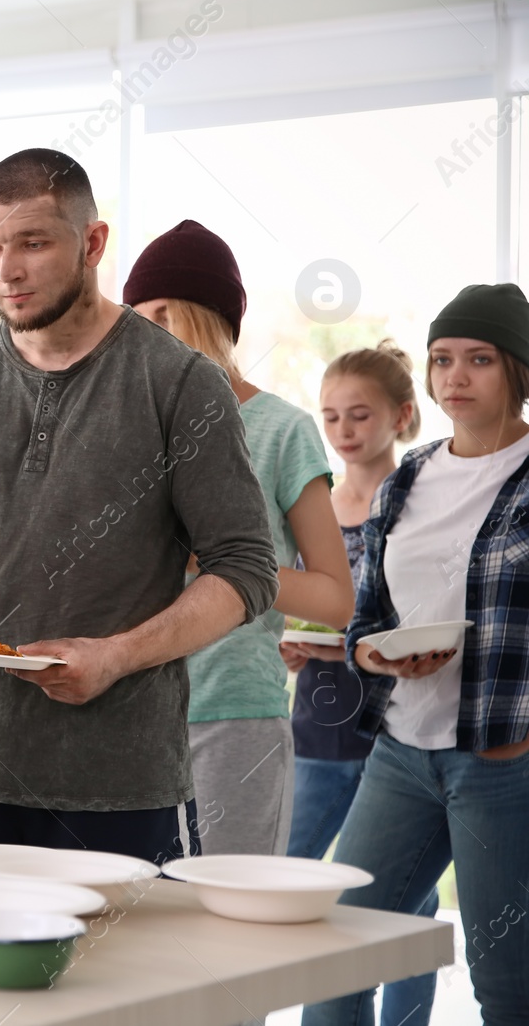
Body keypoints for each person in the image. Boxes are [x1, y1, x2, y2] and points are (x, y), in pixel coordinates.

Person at [0, 148, 280, 864]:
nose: (8, 270)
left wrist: (116, 656)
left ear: (92, 243)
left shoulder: (179, 382)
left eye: (33, 242)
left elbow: (246, 569)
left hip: (122, 789)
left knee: (128, 980)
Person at [304, 285, 529, 1026]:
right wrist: (375, 656)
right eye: (442, 359)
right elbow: (368, 614)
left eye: (479, 359)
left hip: (504, 759)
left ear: (517, 370)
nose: (455, 376)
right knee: (337, 961)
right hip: (402, 751)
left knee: (508, 989)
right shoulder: (412, 475)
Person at [124, 220, 354, 857]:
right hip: (128, 718)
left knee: (229, 927)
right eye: (136, 318)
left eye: (165, 316)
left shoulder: (281, 430)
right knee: (140, 929)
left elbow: (335, 599)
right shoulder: (126, 431)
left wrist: (227, 562)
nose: (146, 334)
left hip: (234, 717)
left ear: (211, 320)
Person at [282, 341, 436, 1026]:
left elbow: (424, 614)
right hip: (318, 723)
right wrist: (292, 643)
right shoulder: (316, 504)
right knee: (291, 869)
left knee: (408, 903)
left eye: (360, 414)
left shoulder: (421, 500)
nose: (344, 430)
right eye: (331, 416)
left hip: (398, 730)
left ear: (402, 415)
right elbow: (307, 601)